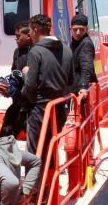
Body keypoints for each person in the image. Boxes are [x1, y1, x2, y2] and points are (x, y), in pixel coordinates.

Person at [22, 14, 74, 154]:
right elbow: (70, 80)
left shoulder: (36, 51)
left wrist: (26, 73)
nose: (30, 35)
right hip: (60, 107)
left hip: (40, 108)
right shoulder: (67, 49)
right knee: (51, 148)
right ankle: (51, 175)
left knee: (34, 151)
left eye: (30, 31)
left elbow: (30, 85)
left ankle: (35, 177)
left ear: (36, 30)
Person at [0, 22, 34, 138]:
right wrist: (7, 86)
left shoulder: (37, 52)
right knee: (5, 135)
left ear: (28, 36)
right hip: (17, 102)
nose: (16, 39)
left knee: (34, 139)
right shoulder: (17, 52)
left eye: (18, 36)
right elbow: (14, 72)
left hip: (32, 105)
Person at [70, 13, 97, 95]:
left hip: (79, 88)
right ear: (70, 29)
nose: (78, 32)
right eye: (75, 29)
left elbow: (86, 66)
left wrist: (83, 86)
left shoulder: (85, 43)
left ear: (86, 29)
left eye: (81, 29)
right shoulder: (75, 42)